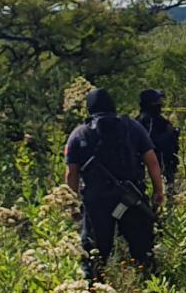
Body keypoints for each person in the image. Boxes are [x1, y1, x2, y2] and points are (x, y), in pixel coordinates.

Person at [65, 88, 165, 281]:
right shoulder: (132, 127)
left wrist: (71, 203)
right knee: (142, 247)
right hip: (131, 199)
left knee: (95, 252)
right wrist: (158, 191)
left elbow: (71, 173)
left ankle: (94, 289)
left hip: (97, 203)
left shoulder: (79, 134)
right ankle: (151, 286)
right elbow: (152, 160)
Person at [137, 88, 181, 194]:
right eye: (157, 101)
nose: (160, 103)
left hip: (165, 165)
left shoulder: (155, 119)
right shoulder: (147, 121)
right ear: (150, 103)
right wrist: (169, 134)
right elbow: (151, 144)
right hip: (157, 168)